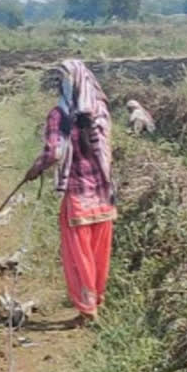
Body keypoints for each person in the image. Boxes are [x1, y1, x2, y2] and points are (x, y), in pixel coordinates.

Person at [24, 59, 116, 327]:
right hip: (103, 195)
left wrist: (35, 169)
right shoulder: (100, 110)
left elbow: (55, 152)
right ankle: (97, 301)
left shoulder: (59, 115)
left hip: (77, 197)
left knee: (78, 256)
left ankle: (86, 310)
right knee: (99, 254)